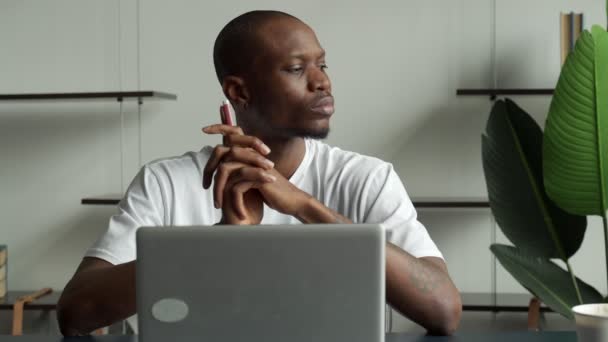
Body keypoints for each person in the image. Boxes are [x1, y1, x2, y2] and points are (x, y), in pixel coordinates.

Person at [57, 10, 462, 336]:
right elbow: (76, 313)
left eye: (322, 64)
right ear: (239, 92)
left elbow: (444, 311)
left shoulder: (367, 178)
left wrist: (307, 207)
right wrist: (223, 242)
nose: (322, 82)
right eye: (296, 69)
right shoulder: (166, 183)